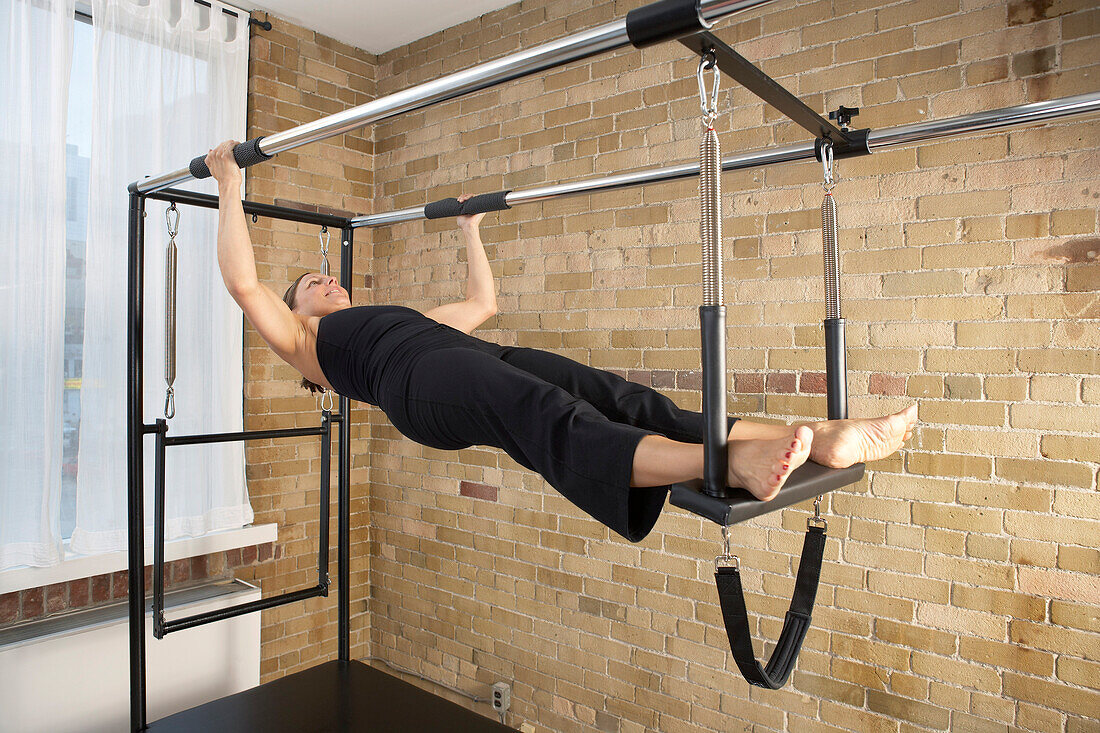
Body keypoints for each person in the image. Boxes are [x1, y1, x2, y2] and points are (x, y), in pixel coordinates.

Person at [207, 141, 916, 542]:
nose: (324, 282)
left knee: (616, 395)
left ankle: (821, 437)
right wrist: (229, 184)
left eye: (327, 277)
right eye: (308, 283)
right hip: (419, 391)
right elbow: (244, 284)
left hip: (460, 358)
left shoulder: (398, 320)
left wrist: (468, 232)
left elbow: (483, 304)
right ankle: (730, 460)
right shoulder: (309, 346)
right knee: (549, 418)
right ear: (296, 311)